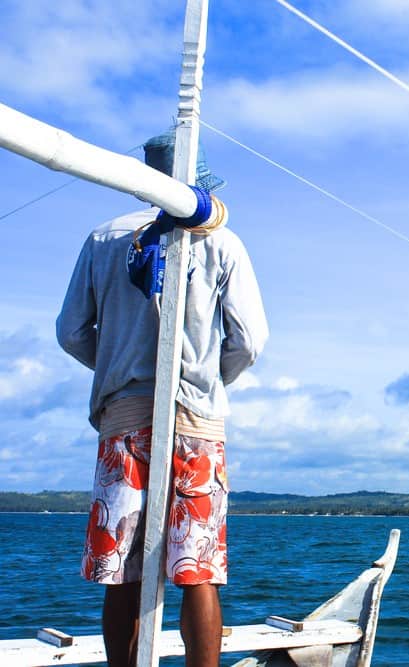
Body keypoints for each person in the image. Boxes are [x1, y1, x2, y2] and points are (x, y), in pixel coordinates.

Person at [56, 128, 268, 667]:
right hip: (195, 419)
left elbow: (72, 332)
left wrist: (117, 367)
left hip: (124, 417)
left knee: (120, 570)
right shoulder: (223, 241)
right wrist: (206, 377)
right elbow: (249, 341)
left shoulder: (103, 239)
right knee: (198, 569)